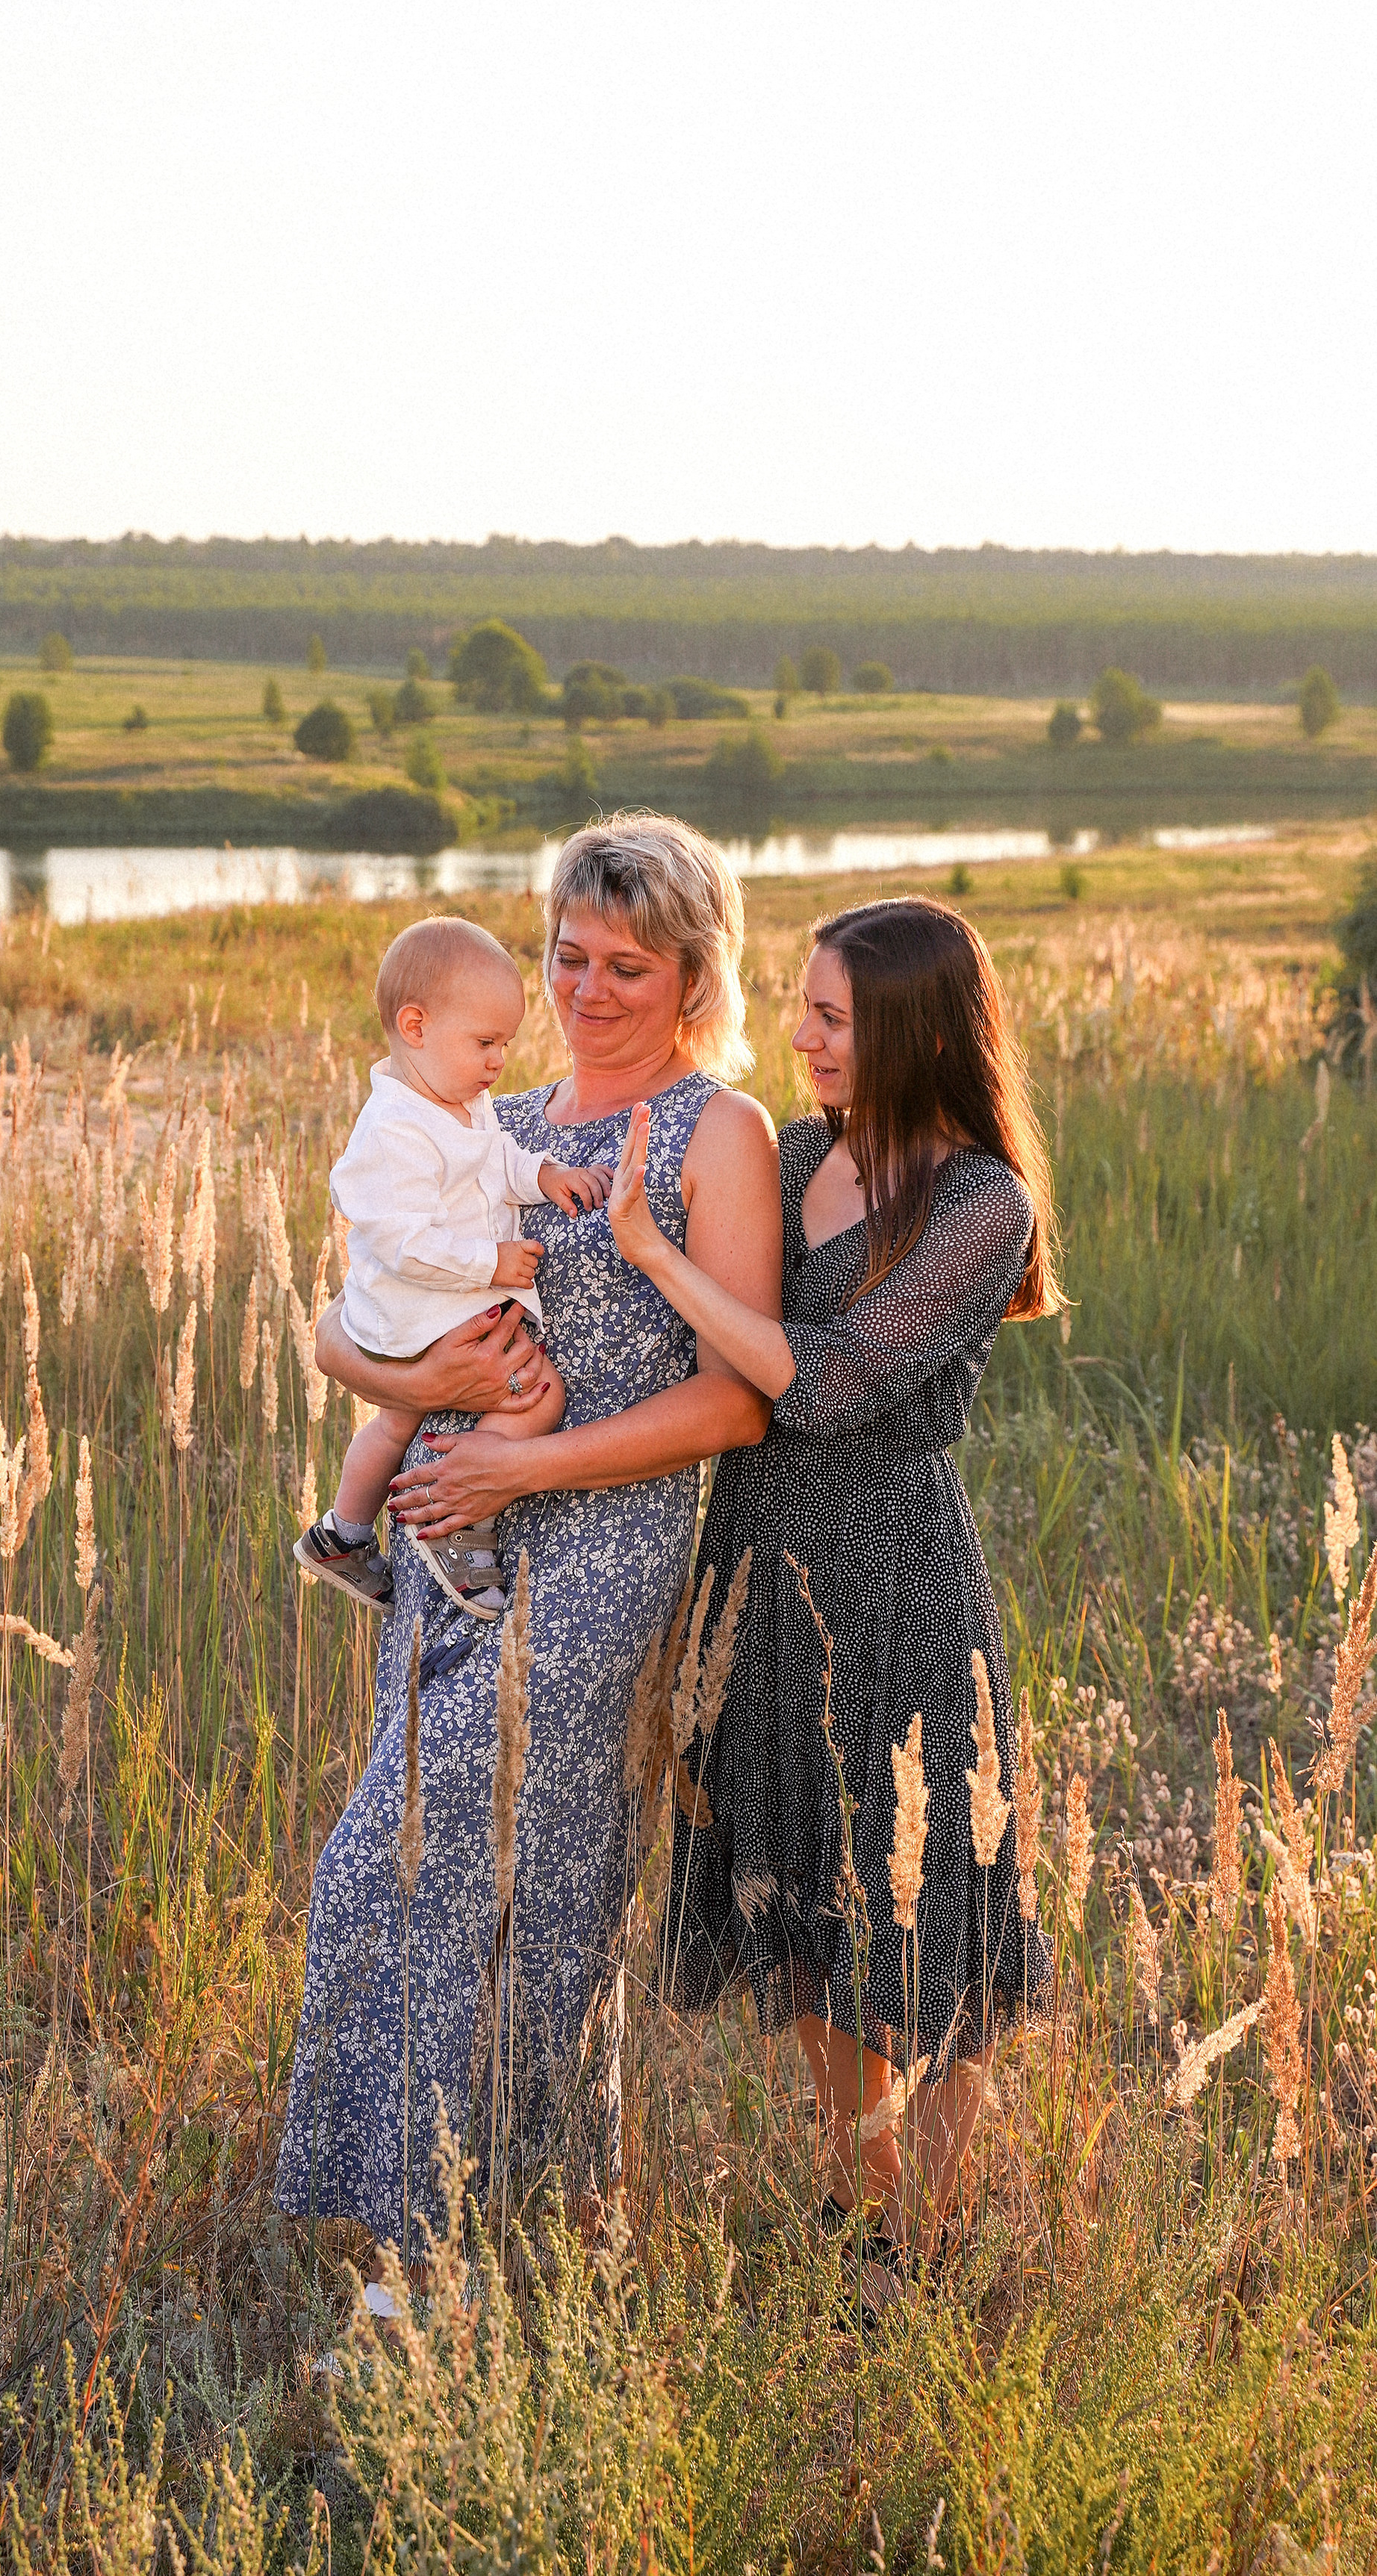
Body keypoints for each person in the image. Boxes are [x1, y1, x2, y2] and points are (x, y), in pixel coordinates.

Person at [273, 813, 782, 2260]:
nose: (589, 987)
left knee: (455, 1871)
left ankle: (426, 2263)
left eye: (630, 963)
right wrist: (412, 1388)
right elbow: (351, 1315)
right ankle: (553, 2225)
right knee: (486, 1878)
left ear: (693, 974)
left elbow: (735, 1405)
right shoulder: (496, 1115)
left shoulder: (716, 1130)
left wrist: (522, 1463)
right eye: (569, 955)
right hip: (452, 1541)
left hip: (607, 1547)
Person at [603, 892, 1059, 2299]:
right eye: (799, 1007)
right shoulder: (793, 1151)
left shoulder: (983, 1202)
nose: (800, 1037)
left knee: (921, 1899)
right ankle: (866, 2211)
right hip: (756, 1556)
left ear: (916, 1030)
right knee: (802, 1887)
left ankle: (923, 2232)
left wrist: (663, 1260)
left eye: (833, 1018)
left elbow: (838, 1379)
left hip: (895, 1573)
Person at [292, 915, 613, 1620]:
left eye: (504, 1043)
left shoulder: (459, 1104)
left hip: (418, 1310)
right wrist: (490, 1260)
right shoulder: (395, 1128)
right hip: (422, 1302)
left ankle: (341, 1532)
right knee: (535, 1392)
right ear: (415, 1026)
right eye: (484, 1042)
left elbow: (495, 1162)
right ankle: (456, 1501)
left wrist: (545, 1173)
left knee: (391, 1425)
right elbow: (402, 1241)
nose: (498, 1061)